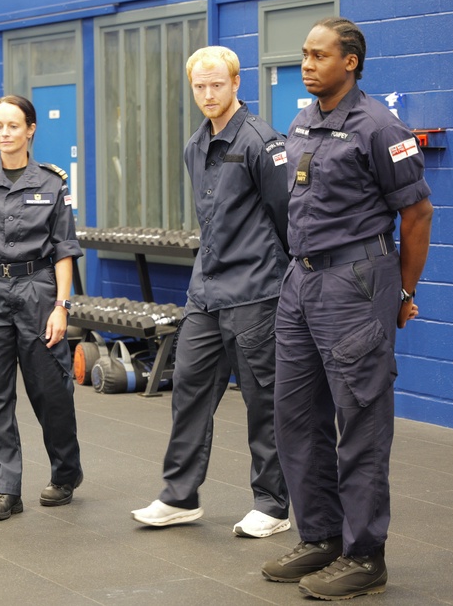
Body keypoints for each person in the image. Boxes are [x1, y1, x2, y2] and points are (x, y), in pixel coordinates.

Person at [260, 18, 432, 600]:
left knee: (358, 420)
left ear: (351, 62)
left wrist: (403, 293)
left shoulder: (381, 127)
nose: (306, 64)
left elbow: (418, 215)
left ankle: (365, 555)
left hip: (356, 284)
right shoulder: (304, 119)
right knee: (295, 416)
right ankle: (322, 539)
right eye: (304, 55)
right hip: (301, 280)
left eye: (318, 55)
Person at [130, 46, 291, 538]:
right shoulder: (195, 144)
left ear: (236, 83)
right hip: (205, 291)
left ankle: (273, 505)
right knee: (189, 392)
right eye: (199, 86)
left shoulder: (263, 142)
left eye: (216, 84)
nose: (207, 94)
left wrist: (279, 278)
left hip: (256, 292)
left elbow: (287, 215)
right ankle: (179, 497)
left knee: (263, 401)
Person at [0, 95, 83, 521]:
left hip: (37, 290)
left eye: (13, 125)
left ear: (30, 129)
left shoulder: (51, 183)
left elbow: (64, 250)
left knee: (50, 391)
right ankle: (5, 489)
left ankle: (65, 473)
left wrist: (62, 306)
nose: (5, 133)